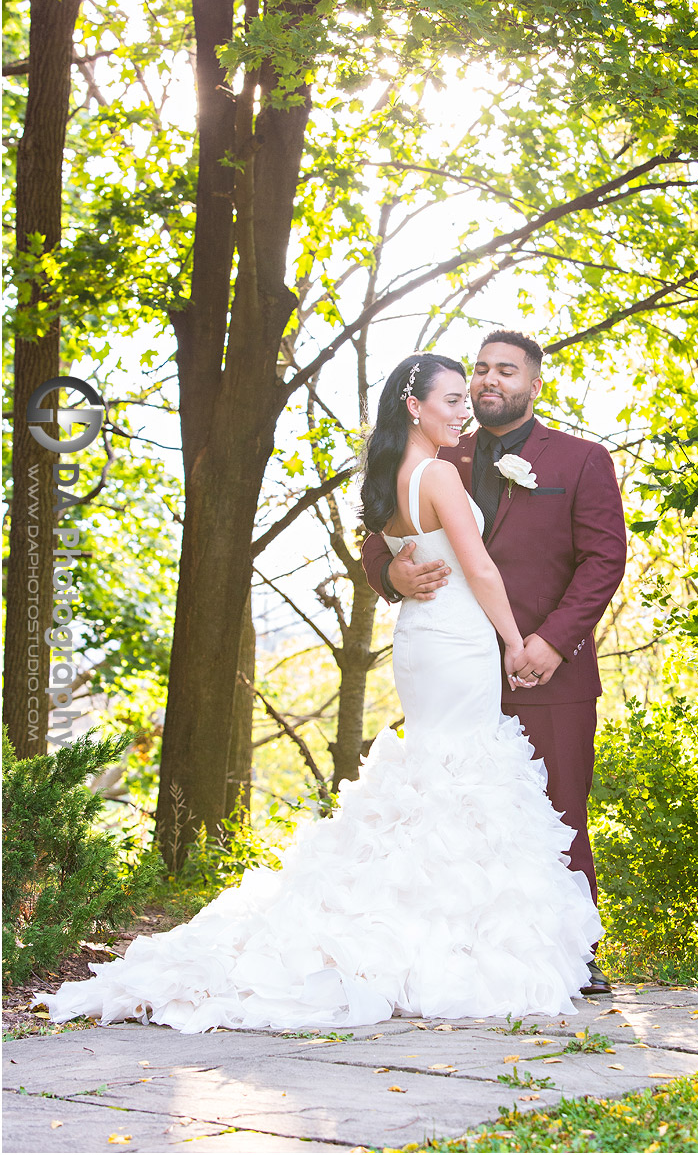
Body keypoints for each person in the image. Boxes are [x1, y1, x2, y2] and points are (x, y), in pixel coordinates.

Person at [32, 352, 601, 1035]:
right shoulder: (445, 465)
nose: (474, 397)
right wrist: (478, 618)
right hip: (459, 643)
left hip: (460, 649)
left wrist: (529, 636)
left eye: (492, 379)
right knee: (461, 779)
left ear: (533, 383)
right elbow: (445, 558)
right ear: (415, 405)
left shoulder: (498, 464)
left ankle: (478, 937)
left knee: (473, 787)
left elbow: (591, 557)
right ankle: (458, 945)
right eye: (462, 385)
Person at [361, 331, 627, 995]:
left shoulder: (580, 459)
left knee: (555, 809)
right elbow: (381, 540)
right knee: (459, 805)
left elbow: (604, 560)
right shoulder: (436, 453)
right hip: (457, 664)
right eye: (479, 369)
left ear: (533, 385)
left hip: (546, 668)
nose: (488, 380)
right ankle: (457, 950)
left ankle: (573, 952)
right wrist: (393, 573)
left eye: (505, 370)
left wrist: (549, 641)